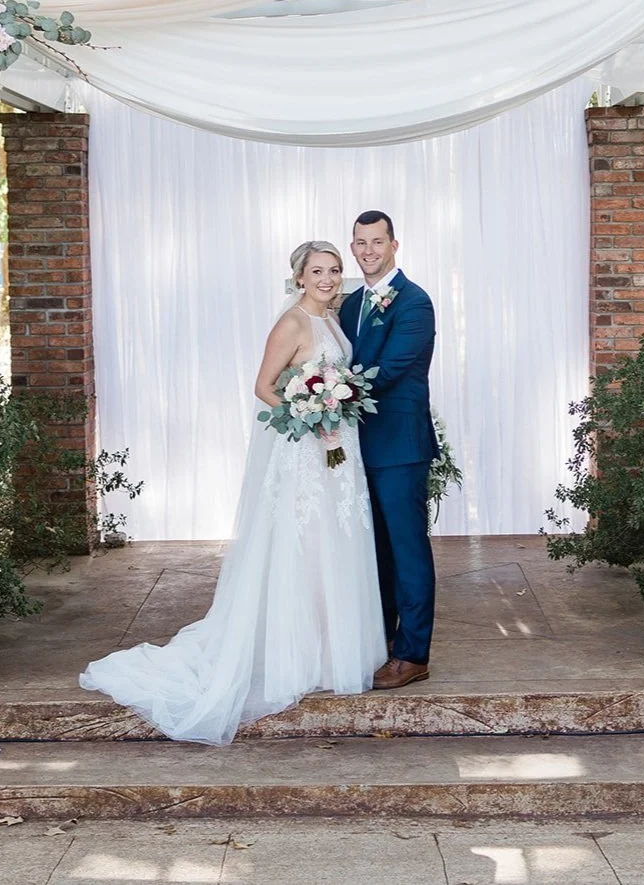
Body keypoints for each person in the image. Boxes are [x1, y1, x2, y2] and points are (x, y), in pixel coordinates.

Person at [80, 241, 386, 744]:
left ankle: (333, 650)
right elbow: (264, 386)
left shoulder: (333, 320)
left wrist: (335, 412)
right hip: (307, 453)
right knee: (306, 545)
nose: (328, 279)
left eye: (334, 270)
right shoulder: (292, 323)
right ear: (300, 277)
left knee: (337, 541)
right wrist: (310, 415)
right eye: (317, 271)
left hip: (339, 450)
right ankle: (296, 653)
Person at [339, 211, 439, 690]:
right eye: (361, 243)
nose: (368, 251)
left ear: (394, 245)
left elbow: (391, 368)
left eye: (377, 241)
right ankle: (380, 643)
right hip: (355, 445)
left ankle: (413, 655)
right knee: (373, 551)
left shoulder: (415, 302)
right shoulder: (349, 303)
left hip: (399, 446)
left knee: (407, 551)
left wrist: (330, 390)